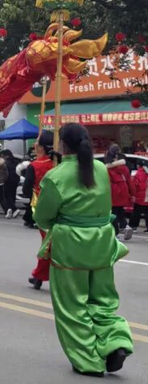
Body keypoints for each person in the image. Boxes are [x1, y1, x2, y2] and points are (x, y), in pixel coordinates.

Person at [33, 123, 133, 377]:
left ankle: (89, 360)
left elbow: (43, 217)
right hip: (102, 240)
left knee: (72, 306)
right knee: (103, 299)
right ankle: (115, 342)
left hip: (71, 246)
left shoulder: (55, 176)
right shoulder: (100, 168)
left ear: (63, 144)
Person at [27, 131, 57, 290]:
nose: (34, 143)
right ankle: (40, 275)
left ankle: (40, 275)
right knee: (52, 242)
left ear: (40, 146)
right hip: (61, 206)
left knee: (48, 243)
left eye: (37, 141)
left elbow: (26, 190)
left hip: (42, 209)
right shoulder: (57, 163)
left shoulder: (34, 166)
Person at [104, 145, 133, 240]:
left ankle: (116, 233)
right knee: (119, 211)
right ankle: (126, 226)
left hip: (112, 192)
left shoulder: (107, 168)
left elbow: (105, 182)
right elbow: (129, 181)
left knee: (113, 213)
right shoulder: (124, 167)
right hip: (123, 191)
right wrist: (132, 193)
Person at [1, 149, 21, 219]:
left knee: (7, 196)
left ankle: (13, 209)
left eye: (2, 156)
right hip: (15, 181)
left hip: (8, 181)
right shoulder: (16, 162)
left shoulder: (5, 163)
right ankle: (11, 210)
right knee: (12, 195)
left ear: (6, 156)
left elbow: (4, 173)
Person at [129, 161, 148, 231]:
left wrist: (133, 195)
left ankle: (133, 226)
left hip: (139, 197)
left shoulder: (139, 173)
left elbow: (135, 185)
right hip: (146, 196)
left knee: (136, 212)